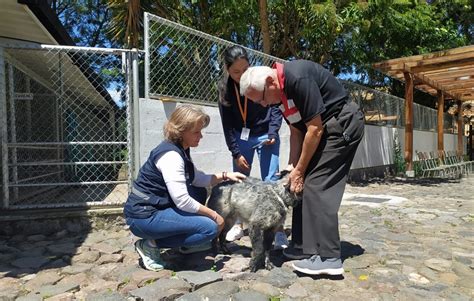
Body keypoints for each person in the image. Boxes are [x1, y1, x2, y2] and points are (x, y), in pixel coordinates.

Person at [239, 61, 365, 276]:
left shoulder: (297, 78)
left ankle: (327, 257)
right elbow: (297, 131)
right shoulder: (279, 94)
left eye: (260, 98)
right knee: (295, 185)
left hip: (341, 127)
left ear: (270, 82)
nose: (261, 104)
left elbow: (314, 128)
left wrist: (301, 170)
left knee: (317, 185)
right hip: (323, 130)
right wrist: (293, 167)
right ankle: (301, 247)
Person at [123, 105, 246, 271]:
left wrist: (225, 175)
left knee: (198, 191)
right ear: (181, 131)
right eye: (196, 132)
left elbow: (197, 179)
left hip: (156, 208)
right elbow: (182, 200)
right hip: (144, 216)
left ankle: (184, 243)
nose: (201, 136)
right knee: (210, 228)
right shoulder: (171, 156)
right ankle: (150, 244)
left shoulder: (181, 149)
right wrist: (215, 215)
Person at [218, 45, 288, 249]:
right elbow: (227, 123)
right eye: (235, 72)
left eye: (245, 69)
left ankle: (279, 231)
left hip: (266, 134)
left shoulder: (260, 76)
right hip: (242, 137)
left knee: (271, 182)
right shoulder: (225, 89)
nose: (241, 76)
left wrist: (273, 132)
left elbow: (276, 105)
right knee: (240, 183)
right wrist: (236, 151)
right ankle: (239, 224)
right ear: (227, 69)